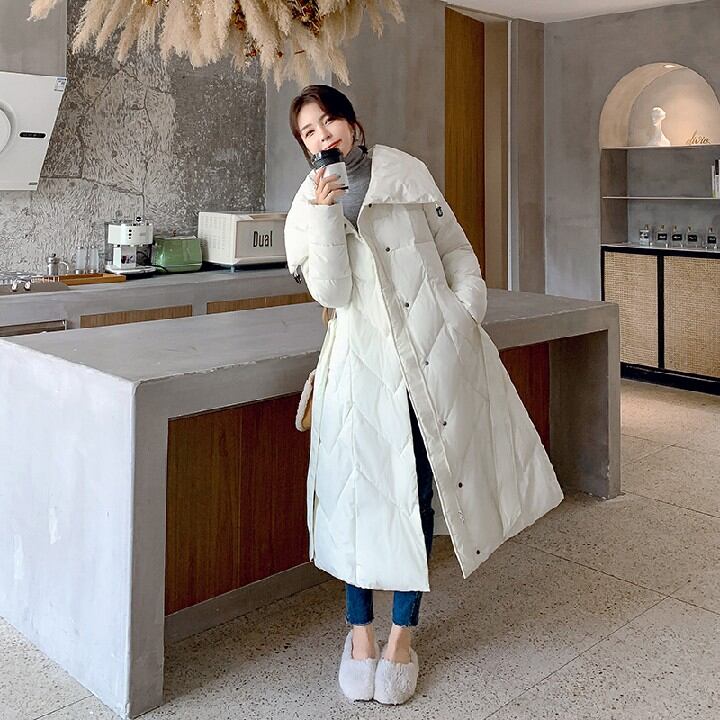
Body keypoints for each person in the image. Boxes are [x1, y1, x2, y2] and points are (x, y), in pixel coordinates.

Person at [284, 85, 563, 706]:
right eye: (309, 131)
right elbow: (331, 293)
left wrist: (464, 313)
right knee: (356, 497)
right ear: (304, 145)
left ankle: (402, 637)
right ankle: (360, 635)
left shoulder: (406, 173)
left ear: (352, 123)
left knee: (418, 490)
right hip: (358, 369)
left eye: (329, 121)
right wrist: (327, 215)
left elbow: (455, 249)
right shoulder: (305, 205)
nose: (323, 135)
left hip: (428, 357)